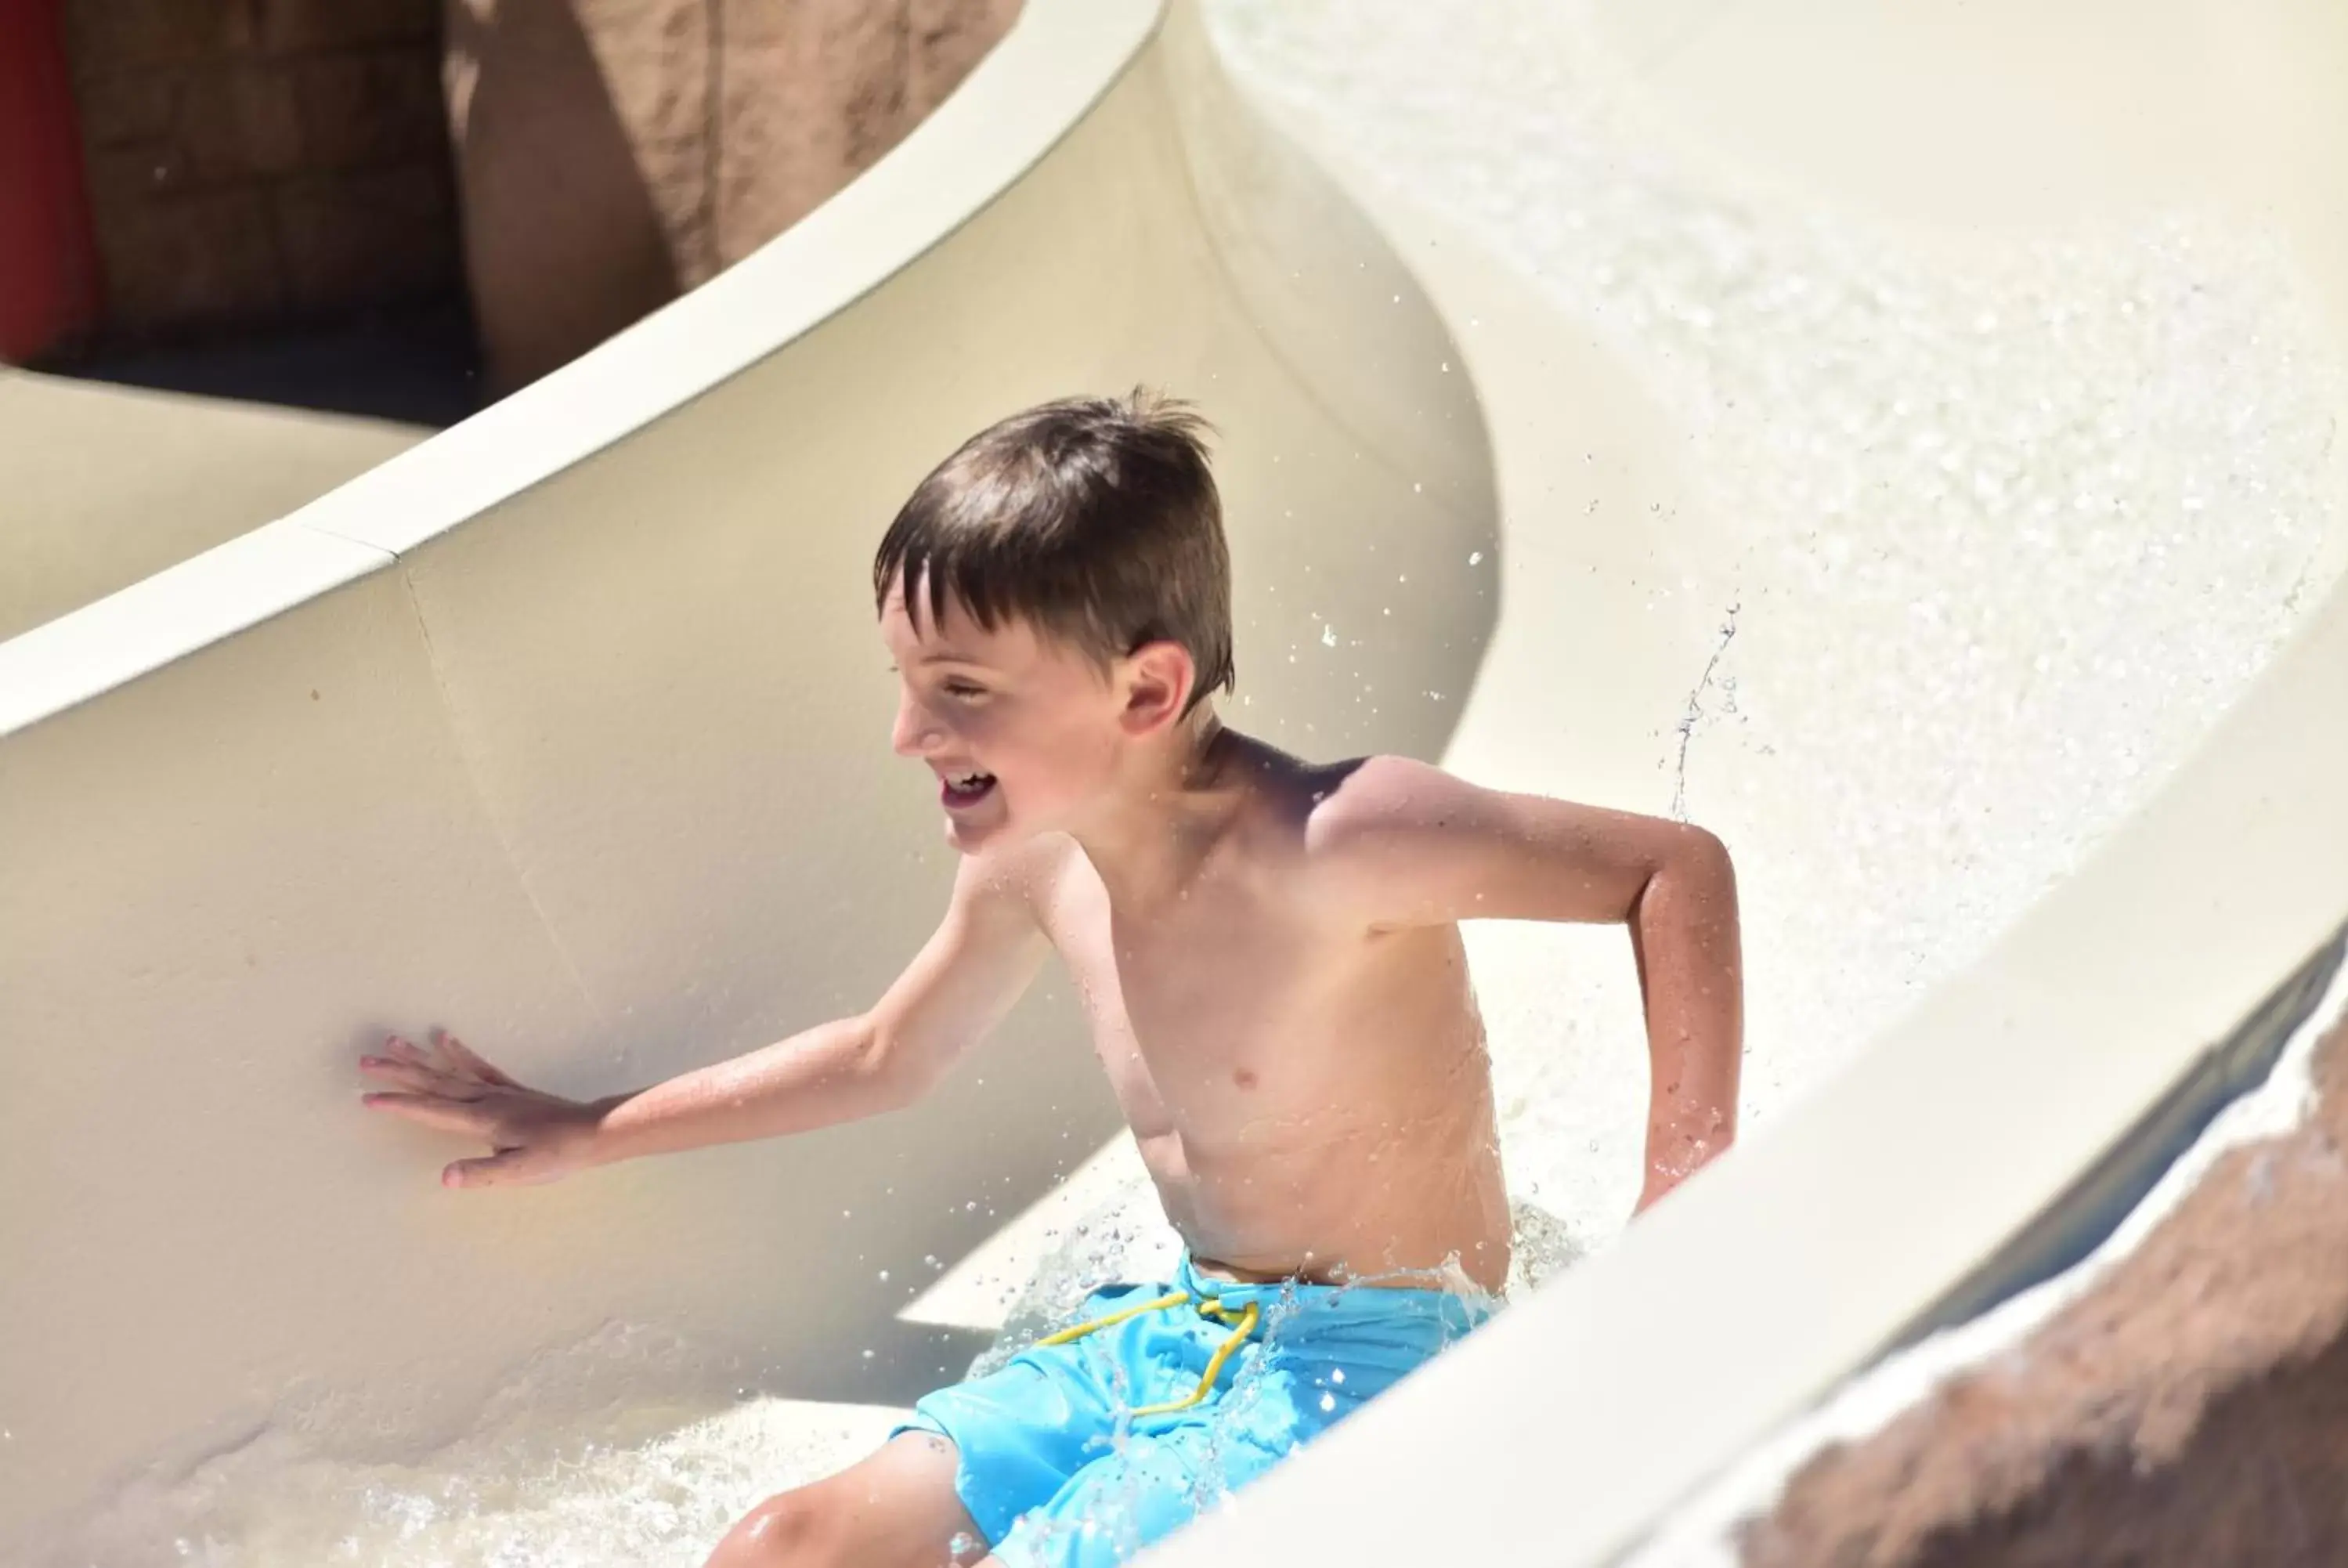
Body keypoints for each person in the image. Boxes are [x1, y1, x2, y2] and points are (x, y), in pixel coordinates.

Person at [359, 389, 1743, 1568]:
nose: (910, 733)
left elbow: (1671, 871)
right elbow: (887, 1052)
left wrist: (1686, 1187)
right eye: (904, 680)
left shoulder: (1340, 841)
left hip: (1380, 1354)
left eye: (960, 688)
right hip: (1186, 1331)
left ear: (1145, 692)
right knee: (780, 1546)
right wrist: (587, 1127)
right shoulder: (1039, 861)